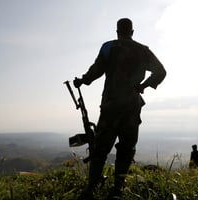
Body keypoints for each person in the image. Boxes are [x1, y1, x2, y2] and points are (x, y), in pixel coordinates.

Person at [73, 18, 166, 199]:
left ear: (117, 32)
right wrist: (143, 86)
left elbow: (96, 70)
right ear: (132, 32)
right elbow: (161, 71)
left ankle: (90, 189)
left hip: (111, 106)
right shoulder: (143, 50)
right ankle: (117, 190)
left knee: (100, 149)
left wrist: (82, 81)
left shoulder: (109, 47)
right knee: (126, 149)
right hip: (132, 107)